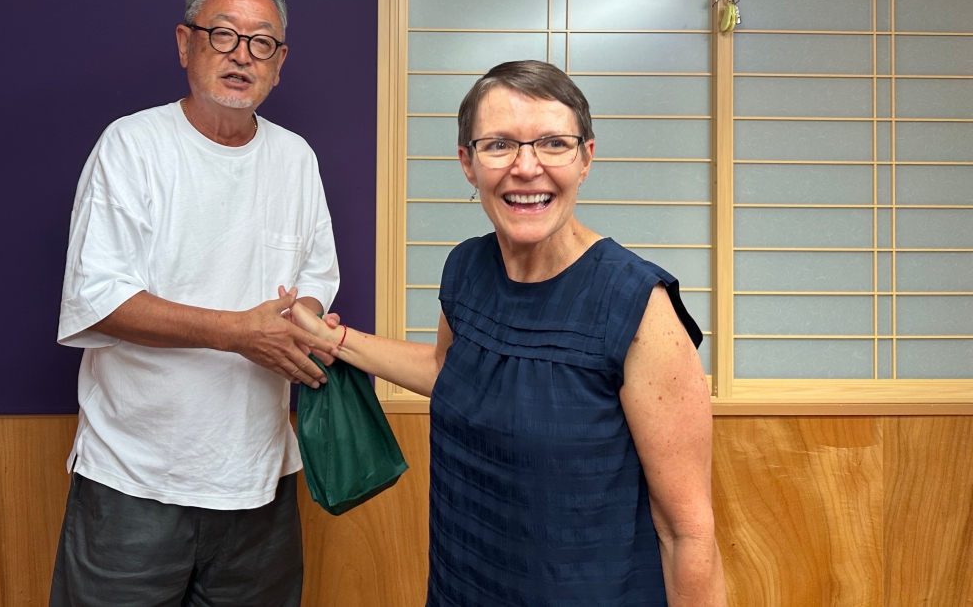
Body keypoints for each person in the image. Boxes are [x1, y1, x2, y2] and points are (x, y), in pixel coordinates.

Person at [292, 60, 727, 607]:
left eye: (553, 143)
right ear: (468, 163)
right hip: (461, 585)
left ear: (586, 158)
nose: (526, 168)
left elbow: (687, 535)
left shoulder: (638, 306)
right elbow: (451, 373)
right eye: (499, 145)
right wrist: (330, 338)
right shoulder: (466, 268)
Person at [51, 0, 342, 607]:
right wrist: (238, 332)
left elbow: (317, 276)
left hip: (261, 478)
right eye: (224, 35)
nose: (242, 55)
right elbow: (98, 298)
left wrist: (303, 322)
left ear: (280, 62)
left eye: (261, 42)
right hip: (134, 479)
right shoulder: (132, 145)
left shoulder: (296, 158)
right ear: (186, 43)